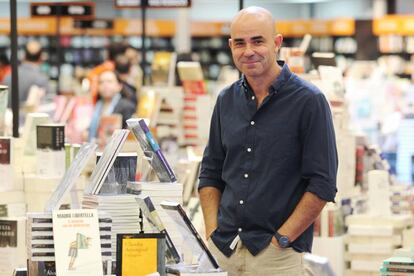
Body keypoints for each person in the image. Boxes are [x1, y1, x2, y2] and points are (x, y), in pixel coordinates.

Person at [198, 6, 338, 276]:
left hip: (277, 257)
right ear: (230, 46)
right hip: (224, 250)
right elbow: (210, 173)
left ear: (277, 43)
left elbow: (322, 183)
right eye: (239, 43)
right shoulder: (226, 100)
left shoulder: (308, 102)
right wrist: (212, 232)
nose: (248, 51)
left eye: (257, 41)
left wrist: (282, 240)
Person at [88, 70, 136, 141]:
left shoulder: (127, 107)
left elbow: (130, 136)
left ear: (119, 86)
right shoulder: (98, 105)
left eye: (109, 81)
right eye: (101, 82)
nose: (105, 85)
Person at [4, 40, 52, 106]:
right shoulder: (41, 79)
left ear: (24, 56)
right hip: (28, 116)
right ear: (40, 58)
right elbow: (46, 106)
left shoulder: (9, 76)